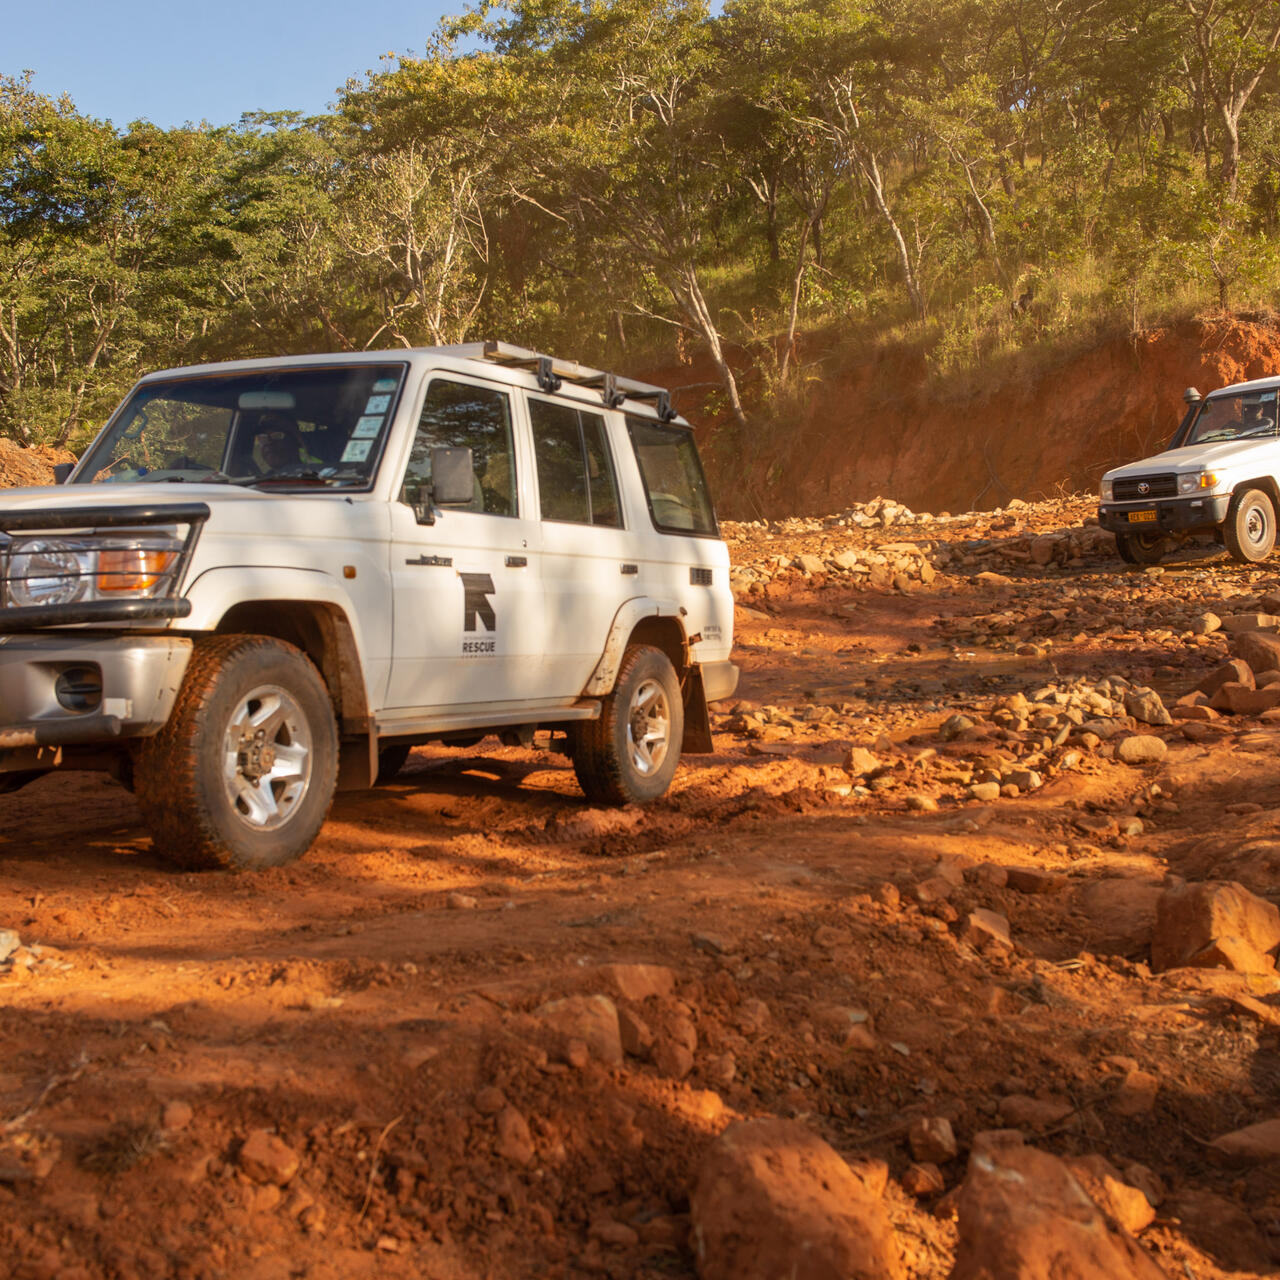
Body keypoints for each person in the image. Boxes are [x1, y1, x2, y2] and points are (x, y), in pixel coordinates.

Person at [254, 411, 322, 471]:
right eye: (263, 438)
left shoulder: (318, 474)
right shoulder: (259, 481)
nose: (269, 443)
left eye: (277, 436)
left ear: (296, 440)